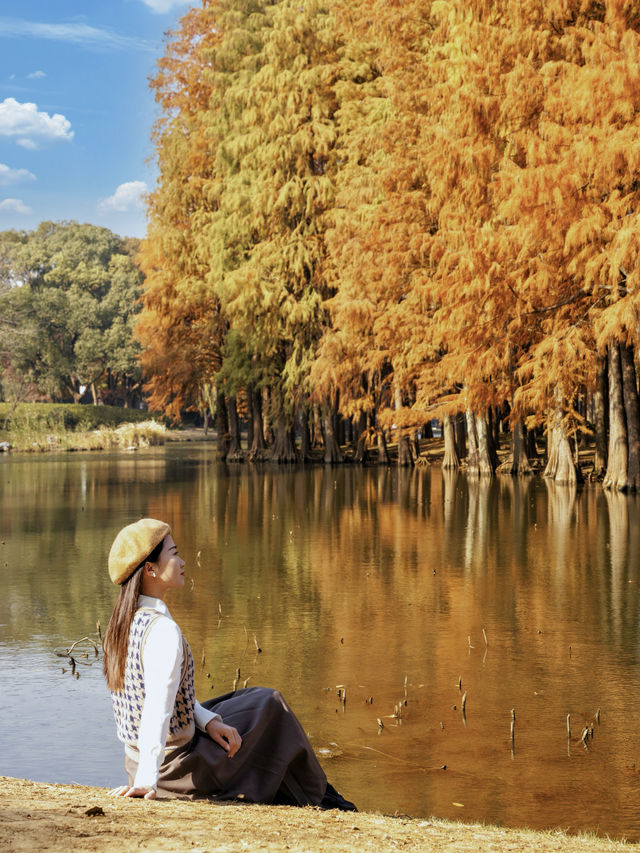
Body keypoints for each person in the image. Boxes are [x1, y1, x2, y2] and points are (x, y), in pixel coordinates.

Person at [103, 518, 356, 810]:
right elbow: (157, 708)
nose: (183, 561)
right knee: (272, 708)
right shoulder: (161, 631)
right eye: (174, 554)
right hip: (175, 769)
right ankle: (321, 797)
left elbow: (165, 699)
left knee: (258, 701)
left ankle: (313, 793)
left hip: (142, 763)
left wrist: (208, 722)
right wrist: (148, 781)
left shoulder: (122, 623)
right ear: (151, 569)